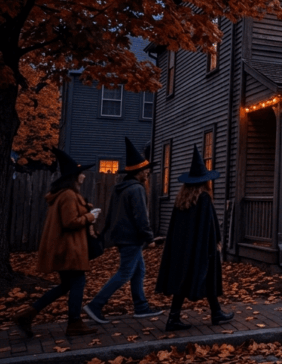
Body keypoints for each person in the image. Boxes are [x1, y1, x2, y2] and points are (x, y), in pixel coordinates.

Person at [14, 149, 100, 338]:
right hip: (69, 249)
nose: (84, 176)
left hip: (66, 248)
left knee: (66, 285)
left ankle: (28, 314)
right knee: (78, 283)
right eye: (81, 173)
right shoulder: (68, 195)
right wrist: (90, 216)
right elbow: (70, 222)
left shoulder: (65, 195)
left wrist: (87, 210)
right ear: (74, 177)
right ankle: (74, 323)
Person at [84, 139, 163, 324]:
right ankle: (96, 305)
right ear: (139, 172)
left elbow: (112, 213)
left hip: (122, 236)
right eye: (146, 170)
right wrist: (149, 238)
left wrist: (108, 233)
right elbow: (141, 217)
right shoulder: (136, 189)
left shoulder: (120, 189)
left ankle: (141, 307)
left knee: (139, 271)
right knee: (125, 272)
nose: (148, 172)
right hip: (131, 238)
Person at [156, 146, 232, 331]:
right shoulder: (204, 199)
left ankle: (206, 313)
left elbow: (177, 228)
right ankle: (208, 314)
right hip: (201, 248)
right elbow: (209, 225)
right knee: (207, 277)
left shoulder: (181, 200)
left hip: (183, 249)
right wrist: (215, 243)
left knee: (185, 279)